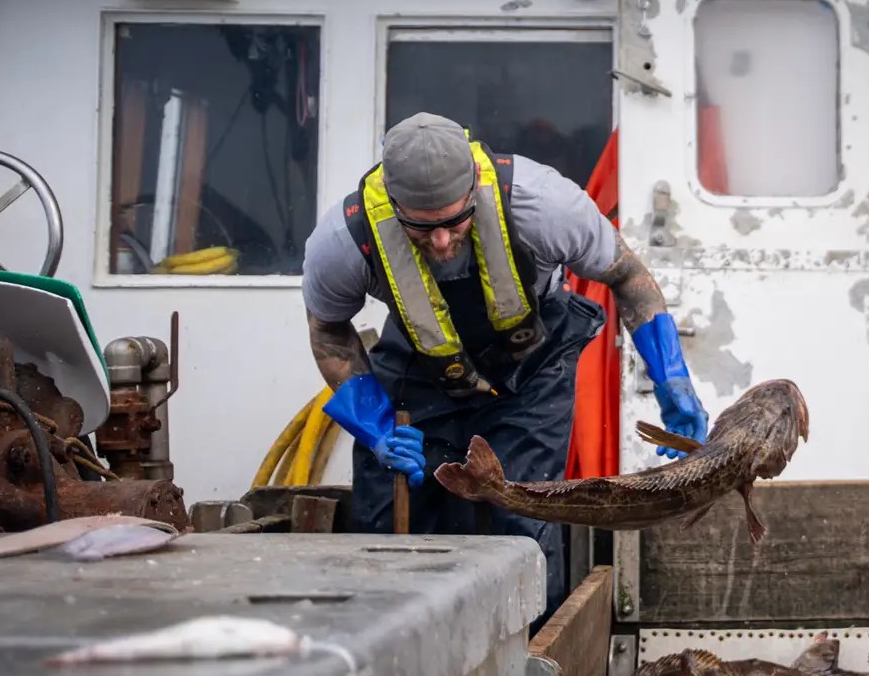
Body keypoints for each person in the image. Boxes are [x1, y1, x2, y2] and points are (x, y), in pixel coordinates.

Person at [301, 112, 709, 610]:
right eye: (421, 229)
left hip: (532, 366)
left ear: (475, 188)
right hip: (422, 365)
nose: (443, 242)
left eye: (455, 221)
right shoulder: (345, 240)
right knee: (392, 515)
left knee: (521, 517)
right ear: (393, 205)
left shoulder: (544, 205)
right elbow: (328, 330)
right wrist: (375, 427)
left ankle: (529, 660)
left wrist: (671, 377)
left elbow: (628, 277)